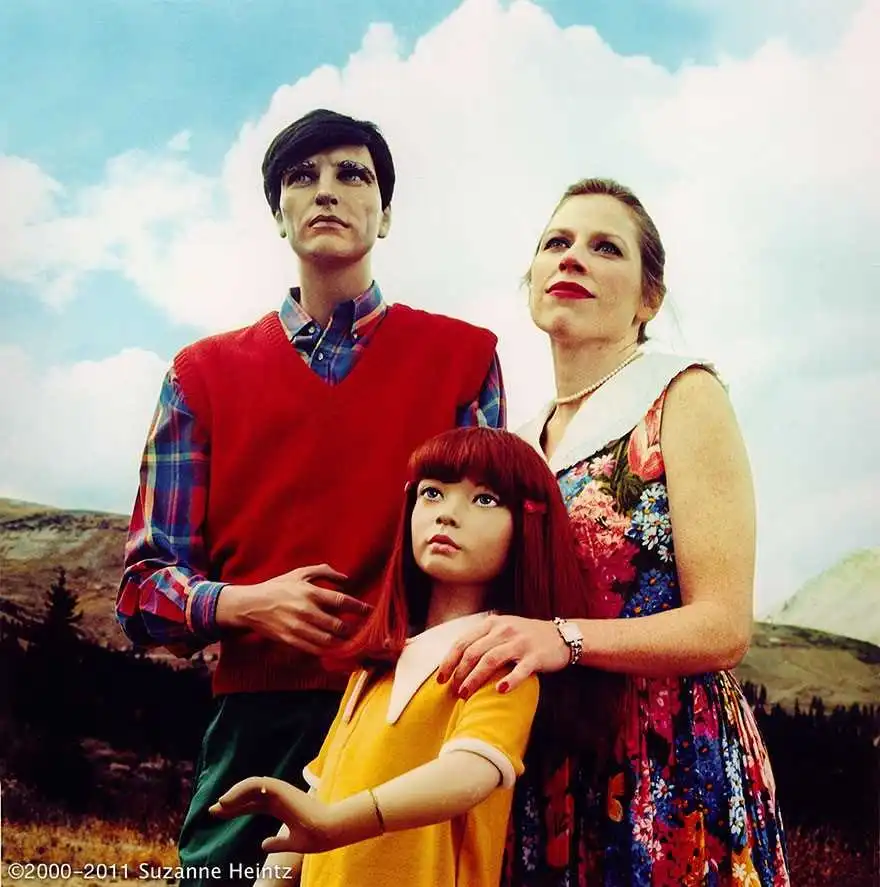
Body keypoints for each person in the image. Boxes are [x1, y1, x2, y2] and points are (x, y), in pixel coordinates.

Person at [115, 109, 505, 884]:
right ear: (279, 214)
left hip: (410, 714)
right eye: (303, 176)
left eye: (352, 174)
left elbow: (492, 560)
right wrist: (244, 603)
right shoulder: (199, 375)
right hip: (253, 727)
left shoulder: (464, 358)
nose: (327, 189)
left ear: (384, 215)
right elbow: (142, 591)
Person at [437, 178, 791, 886]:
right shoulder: (517, 442)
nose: (572, 258)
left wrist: (564, 639)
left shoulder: (683, 395)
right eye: (557, 243)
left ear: (648, 298)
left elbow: (724, 626)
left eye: (606, 247)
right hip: (544, 763)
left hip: (668, 758)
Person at [210, 427, 608, 887]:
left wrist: (336, 824)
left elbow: (471, 773)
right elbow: (317, 797)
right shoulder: (373, 669)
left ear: (528, 527)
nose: (447, 514)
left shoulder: (499, 662)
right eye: (432, 493)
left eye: (484, 500)